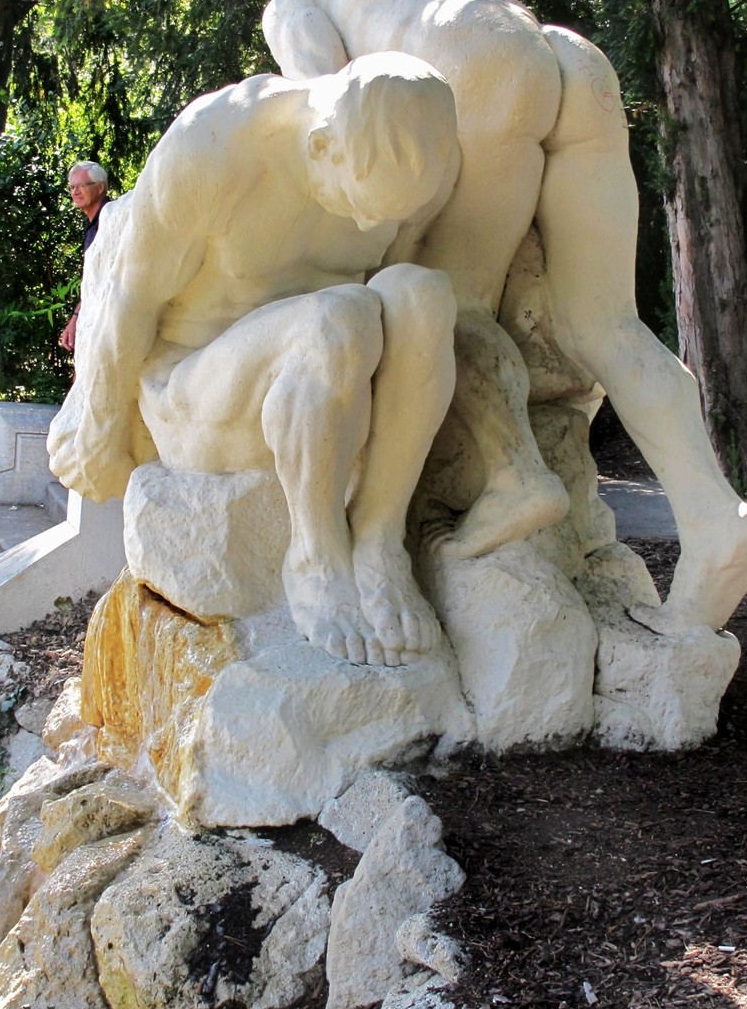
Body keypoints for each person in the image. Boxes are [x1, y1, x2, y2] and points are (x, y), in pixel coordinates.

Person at [262, 0, 747, 634]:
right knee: (608, 325)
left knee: (447, 304)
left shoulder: (289, 6)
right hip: (567, 60)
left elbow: (335, 113)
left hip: (481, 67)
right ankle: (713, 516)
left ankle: (514, 477)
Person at [47, 53, 462, 667]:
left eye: (387, 212)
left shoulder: (405, 173)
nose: (371, 223)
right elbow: (128, 302)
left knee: (425, 297)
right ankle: (316, 556)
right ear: (322, 146)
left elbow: (391, 290)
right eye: (362, 205)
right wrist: (99, 429)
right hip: (196, 389)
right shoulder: (215, 148)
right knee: (338, 316)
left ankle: (377, 539)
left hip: (321, 384)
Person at [58, 160, 113, 354]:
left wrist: (77, 319)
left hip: (111, 320)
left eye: (82, 185)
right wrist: (76, 317)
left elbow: (106, 279)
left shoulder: (112, 219)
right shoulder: (92, 225)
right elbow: (92, 282)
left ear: (100, 188)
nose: (75, 191)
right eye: (72, 187)